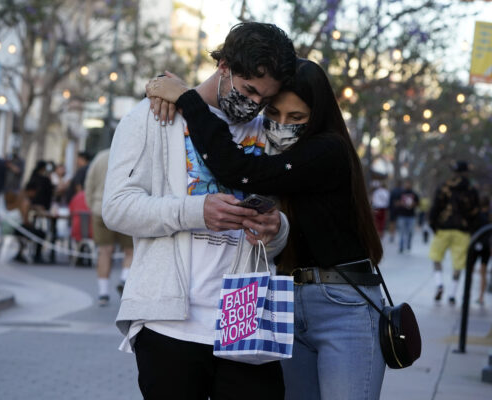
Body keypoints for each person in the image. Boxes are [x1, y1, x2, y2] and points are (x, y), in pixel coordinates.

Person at [147, 57, 386, 399]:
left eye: (296, 117)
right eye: (273, 114)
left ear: (316, 117)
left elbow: (237, 169)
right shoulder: (267, 145)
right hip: (286, 299)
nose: (282, 125)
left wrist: (188, 99)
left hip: (343, 306)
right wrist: (163, 87)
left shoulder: (327, 150)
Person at [103, 22, 294, 400]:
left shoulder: (270, 132)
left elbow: (277, 232)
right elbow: (117, 207)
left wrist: (278, 229)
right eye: (248, 90)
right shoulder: (153, 116)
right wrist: (196, 211)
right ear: (223, 65)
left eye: (264, 98)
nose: (254, 104)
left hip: (245, 321)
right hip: (170, 323)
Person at [84, 149, 133, 306]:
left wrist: (93, 205)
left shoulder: (100, 157)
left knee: (104, 251)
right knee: (130, 251)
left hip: (101, 208)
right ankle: (124, 278)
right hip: (124, 209)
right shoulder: (129, 155)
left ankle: (103, 293)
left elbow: (89, 184)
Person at [429, 161, 480, 305]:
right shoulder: (471, 189)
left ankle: (439, 284)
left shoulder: (445, 186)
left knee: (436, 257)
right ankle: (452, 293)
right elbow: (475, 211)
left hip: (443, 227)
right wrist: (472, 228)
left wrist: (433, 224)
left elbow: (435, 207)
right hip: (462, 230)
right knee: (458, 263)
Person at [474, 196, 490, 305]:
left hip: (475, 246)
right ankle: (481, 297)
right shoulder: (490, 215)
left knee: (470, 271)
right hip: (487, 247)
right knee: (483, 272)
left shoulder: (476, 215)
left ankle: (466, 296)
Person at [396, 180, 420, 253]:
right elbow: (395, 203)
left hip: (411, 216)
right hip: (402, 215)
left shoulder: (414, 194)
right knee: (402, 232)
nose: (407, 185)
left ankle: (408, 244)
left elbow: (418, 204)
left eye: (409, 184)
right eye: (406, 183)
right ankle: (401, 247)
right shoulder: (400, 193)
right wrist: (402, 203)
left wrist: (413, 204)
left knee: (410, 232)